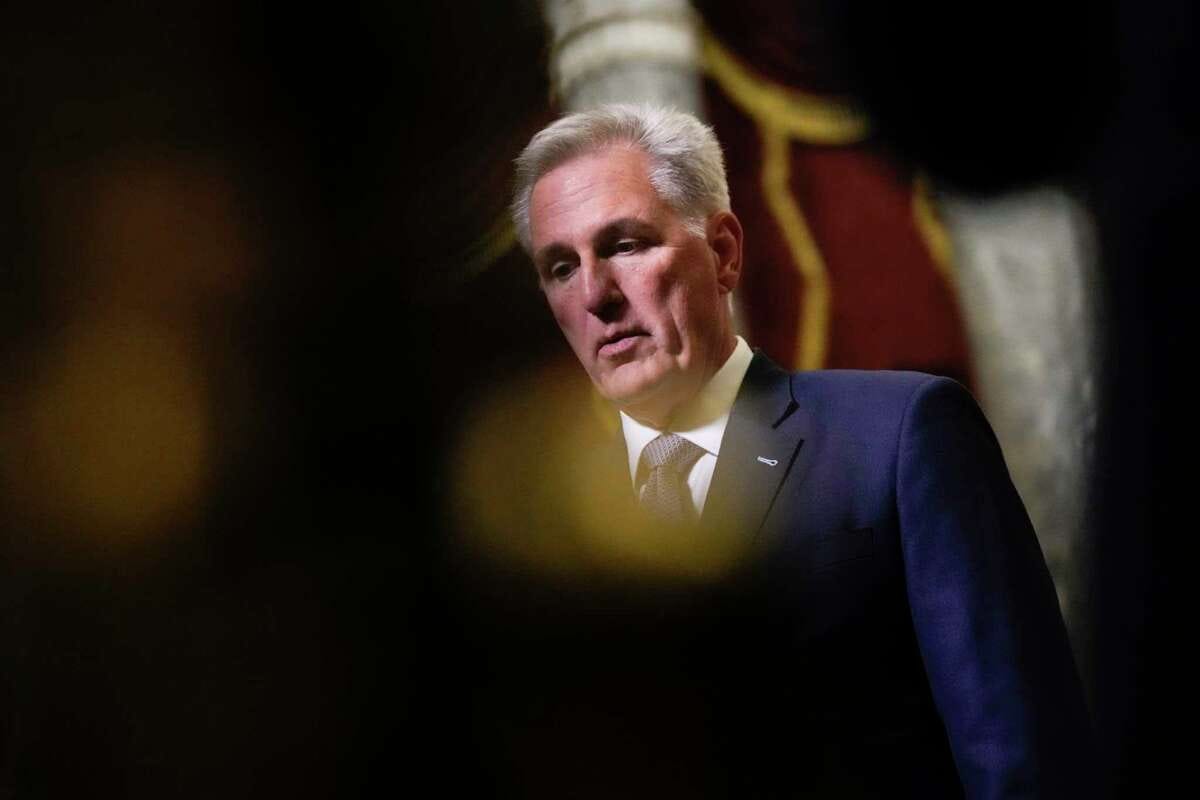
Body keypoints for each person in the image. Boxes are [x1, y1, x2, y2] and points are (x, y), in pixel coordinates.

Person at [509, 104, 1096, 797]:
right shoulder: (551, 543)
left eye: (626, 245)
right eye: (560, 267)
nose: (595, 295)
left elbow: (1023, 760)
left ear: (724, 253)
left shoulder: (900, 437)